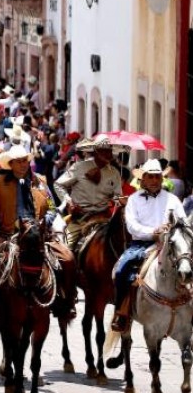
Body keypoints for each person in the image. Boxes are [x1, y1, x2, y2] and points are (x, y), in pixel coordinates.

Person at [0, 145, 77, 323]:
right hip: (8, 235)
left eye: (26, 161)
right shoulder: (0, 185)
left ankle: (67, 303)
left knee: (68, 258)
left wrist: (45, 222)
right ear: (11, 164)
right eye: (19, 162)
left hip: (39, 235)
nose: (24, 165)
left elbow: (52, 208)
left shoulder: (41, 182)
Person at [111, 159, 186, 331]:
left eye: (157, 177)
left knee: (187, 266)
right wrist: (154, 231)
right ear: (142, 179)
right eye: (150, 177)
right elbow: (132, 226)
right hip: (141, 245)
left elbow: (182, 223)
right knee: (121, 271)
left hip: (171, 243)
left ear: (162, 179)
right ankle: (121, 313)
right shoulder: (133, 200)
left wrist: (171, 229)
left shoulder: (173, 200)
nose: (154, 180)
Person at [54, 137, 124, 255]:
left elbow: (117, 197)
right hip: (80, 219)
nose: (108, 154)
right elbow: (58, 185)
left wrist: (120, 200)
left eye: (110, 150)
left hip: (103, 219)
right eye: (104, 150)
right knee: (65, 252)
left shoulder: (115, 173)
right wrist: (69, 202)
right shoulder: (79, 167)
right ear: (96, 151)